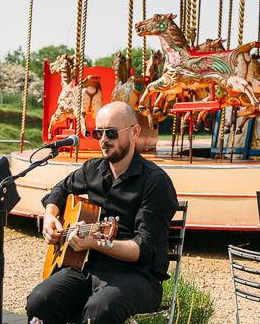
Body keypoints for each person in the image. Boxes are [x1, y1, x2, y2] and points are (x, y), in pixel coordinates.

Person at [26, 102, 179, 324]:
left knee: (99, 311)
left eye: (112, 133)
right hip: (88, 268)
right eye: (98, 132)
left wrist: (95, 243)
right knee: (40, 301)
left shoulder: (155, 182)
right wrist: (50, 217)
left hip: (138, 277)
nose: (103, 140)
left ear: (135, 132)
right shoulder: (92, 169)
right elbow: (59, 190)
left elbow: (143, 249)